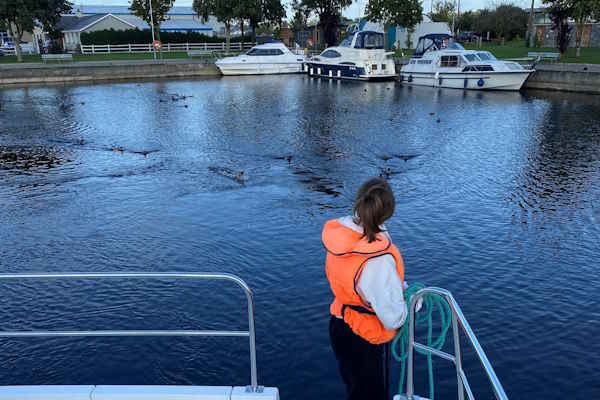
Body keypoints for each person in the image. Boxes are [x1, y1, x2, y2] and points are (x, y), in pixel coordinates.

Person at [323, 177, 408, 400]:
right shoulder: (378, 259)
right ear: (388, 211)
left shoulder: (343, 237)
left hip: (339, 324)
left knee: (355, 389)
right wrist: (408, 302)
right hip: (363, 335)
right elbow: (393, 318)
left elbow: (359, 284)